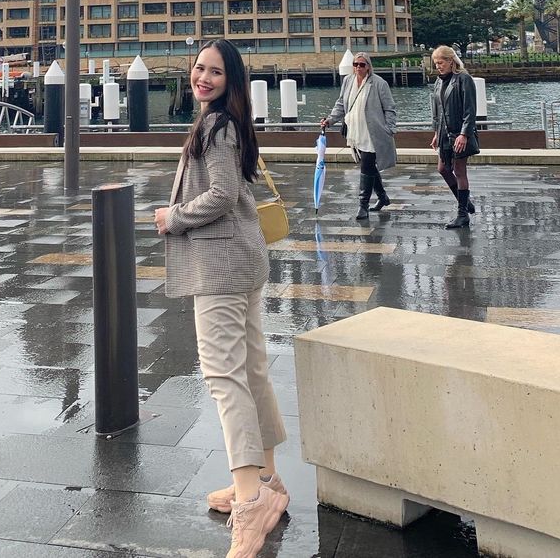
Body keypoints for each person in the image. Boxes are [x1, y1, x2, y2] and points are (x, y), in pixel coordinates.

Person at [154, 39, 288, 558]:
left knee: (223, 376)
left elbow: (223, 194)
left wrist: (174, 217)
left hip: (219, 267)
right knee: (252, 371)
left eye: (214, 72)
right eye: (198, 68)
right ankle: (267, 481)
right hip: (243, 261)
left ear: (231, 79)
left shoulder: (215, 126)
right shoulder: (229, 122)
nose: (202, 77)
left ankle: (251, 502)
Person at [321, 51, 397, 219]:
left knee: (366, 165)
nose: (358, 68)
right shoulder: (348, 81)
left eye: (361, 64)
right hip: (355, 131)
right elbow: (341, 103)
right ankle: (383, 197)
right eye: (355, 64)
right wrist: (330, 120)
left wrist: (389, 128)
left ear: (368, 66)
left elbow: (390, 108)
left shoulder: (379, 83)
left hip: (372, 133)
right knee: (368, 165)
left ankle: (363, 205)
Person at [430, 45, 480, 229]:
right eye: (436, 63)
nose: (438, 66)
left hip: (459, 134)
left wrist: (464, 134)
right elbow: (437, 112)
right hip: (444, 133)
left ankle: (462, 214)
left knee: (459, 171)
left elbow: (470, 110)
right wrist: (436, 133)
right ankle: (465, 202)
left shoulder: (464, 79)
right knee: (442, 169)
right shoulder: (438, 81)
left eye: (441, 63)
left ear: (451, 61)